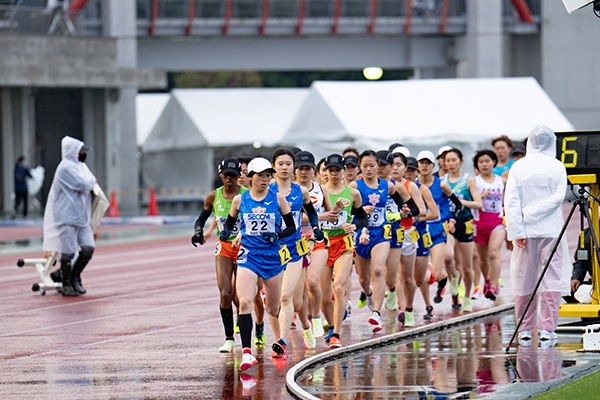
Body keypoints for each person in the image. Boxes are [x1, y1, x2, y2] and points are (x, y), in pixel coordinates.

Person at [218, 157, 296, 371]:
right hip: (249, 255)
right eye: (260, 175)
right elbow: (231, 223)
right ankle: (246, 353)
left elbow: (292, 228)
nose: (265, 179)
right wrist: (226, 233)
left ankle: (277, 330)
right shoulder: (240, 200)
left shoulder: (278, 198)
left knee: (273, 308)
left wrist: (277, 235)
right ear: (250, 177)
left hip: (271, 257)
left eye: (268, 175)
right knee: (244, 302)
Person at [505, 124, 569, 344]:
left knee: (524, 278)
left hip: (525, 231)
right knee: (550, 278)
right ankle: (547, 329)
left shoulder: (518, 167)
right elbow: (558, 198)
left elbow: (510, 201)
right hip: (551, 230)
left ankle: (524, 328)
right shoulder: (557, 166)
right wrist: (529, 215)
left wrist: (518, 226)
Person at [351, 150, 416, 332]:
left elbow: (405, 205)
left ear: (377, 166)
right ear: (360, 167)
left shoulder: (387, 186)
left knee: (378, 270)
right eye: (365, 166)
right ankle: (368, 294)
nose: (369, 169)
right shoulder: (354, 186)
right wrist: (361, 210)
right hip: (361, 234)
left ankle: (377, 314)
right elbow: (346, 213)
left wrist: (403, 212)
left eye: (372, 165)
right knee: (363, 278)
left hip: (382, 233)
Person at [269, 148, 323, 358]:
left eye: (288, 164)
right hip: (271, 251)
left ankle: (307, 327)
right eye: (280, 163)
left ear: (293, 167)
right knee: (280, 300)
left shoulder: (301, 192)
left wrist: (316, 227)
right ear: (274, 166)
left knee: (295, 301)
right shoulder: (267, 191)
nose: (284, 167)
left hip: (294, 249)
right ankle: (282, 341)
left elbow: (312, 213)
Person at [191, 158, 248, 353]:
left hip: (244, 247)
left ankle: (252, 327)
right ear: (220, 175)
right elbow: (201, 217)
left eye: (234, 175)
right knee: (225, 292)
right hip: (224, 247)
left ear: (239, 176)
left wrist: (240, 235)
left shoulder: (247, 196)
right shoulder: (213, 197)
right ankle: (229, 338)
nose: (230, 179)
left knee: (242, 297)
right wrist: (199, 231)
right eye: (226, 175)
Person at [320, 153, 369, 347]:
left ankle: (337, 335)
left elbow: (362, 217)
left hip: (344, 244)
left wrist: (355, 226)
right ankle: (332, 326)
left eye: (337, 170)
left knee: (339, 287)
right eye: (330, 170)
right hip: (323, 244)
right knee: (324, 297)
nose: (333, 174)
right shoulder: (321, 191)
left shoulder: (352, 193)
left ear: (343, 172)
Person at [43, 136, 96, 297]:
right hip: (66, 215)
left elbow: (86, 183)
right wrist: (92, 180)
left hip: (81, 216)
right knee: (68, 252)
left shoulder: (79, 166)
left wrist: (90, 181)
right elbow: (83, 184)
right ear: (73, 151)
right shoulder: (65, 167)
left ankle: (74, 276)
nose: (82, 154)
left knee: (88, 248)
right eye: (80, 151)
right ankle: (66, 283)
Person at [416, 150, 464, 306]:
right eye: (421, 163)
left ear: (433, 165)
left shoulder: (441, 184)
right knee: (422, 274)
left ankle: (446, 278)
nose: (424, 166)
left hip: (438, 230)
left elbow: (457, 205)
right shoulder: (412, 186)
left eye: (427, 163)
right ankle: (440, 283)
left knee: (433, 273)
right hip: (420, 230)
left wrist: (452, 221)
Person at [441, 148, 482, 312]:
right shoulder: (442, 180)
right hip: (448, 224)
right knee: (449, 257)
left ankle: (466, 297)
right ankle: (455, 294)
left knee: (466, 266)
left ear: (461, 162)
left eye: (454, 160)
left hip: (465, 222)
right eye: (447, 161)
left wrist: (460, 202)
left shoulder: (468, 180)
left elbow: (478, 204)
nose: (450, 164)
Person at [472, 149, 506, 301]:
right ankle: (486, 280)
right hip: (479, 222)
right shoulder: (474, 182)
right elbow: (470, 201)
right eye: (481, 162)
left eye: (487, 161)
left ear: (493, 162)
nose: (484, 164)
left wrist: (506, 208)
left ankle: (494, 285)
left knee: (493, 254)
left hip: (497, 222)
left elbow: (507, 200)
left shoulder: (501, 181)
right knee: (483, 258)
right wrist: (479, 197)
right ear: (477, 165)